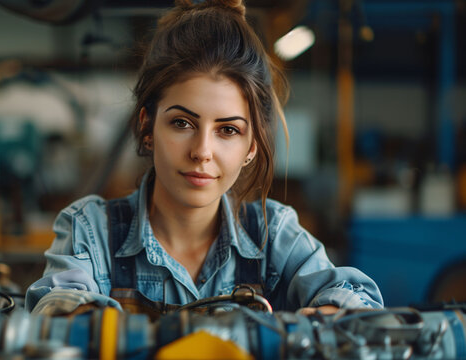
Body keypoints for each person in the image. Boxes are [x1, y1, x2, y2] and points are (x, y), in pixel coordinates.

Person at [26, 0, 383, 316]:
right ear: (147, 127)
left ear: (252, 146)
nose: (202, 151)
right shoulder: (91, 231)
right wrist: (78, 320)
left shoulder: (274, 236)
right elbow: (57, 309)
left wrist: (331, 315)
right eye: (182, 123)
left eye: (228, 130)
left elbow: (361, 301)